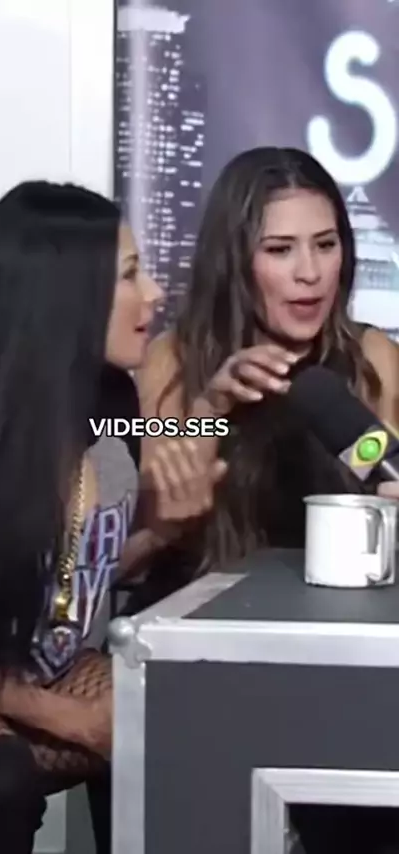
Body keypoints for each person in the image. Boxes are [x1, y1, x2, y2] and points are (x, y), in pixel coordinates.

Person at [0, 181, 225, 854]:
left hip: (25, 665)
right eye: (129, 275)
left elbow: (75, 567)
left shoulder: (109, 407)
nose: (154, 293)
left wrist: (167, 524)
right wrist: (79, 721)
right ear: (67, 298)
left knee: (173, 714)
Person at [136, 146, 399, 853]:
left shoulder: (372, 359)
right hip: (205, 667)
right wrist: (212, 404)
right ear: (235, 260)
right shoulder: (174, 359)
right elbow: (157, 515)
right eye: (280, 250)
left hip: (348, 668)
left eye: (326, 244)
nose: (310, 273)